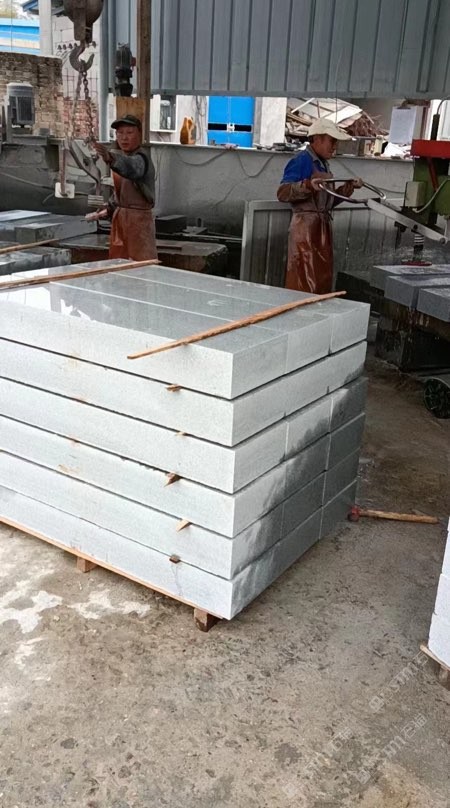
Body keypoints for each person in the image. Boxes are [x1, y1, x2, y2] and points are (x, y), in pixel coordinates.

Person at [277, 119, 363, 294]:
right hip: (305, 231)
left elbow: (327, 202)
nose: (334, 146)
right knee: (303, 281)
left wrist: (348, 188)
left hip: (322, 228)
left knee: (321, 281)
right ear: (317, 139)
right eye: (332, 141)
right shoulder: (302, 161)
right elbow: (282, 193)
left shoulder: (323, 164)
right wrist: (308, 186)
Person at [87, 114, 157, 261]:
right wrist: (107, 209)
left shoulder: (141, 159)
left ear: (140, 135)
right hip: (120, 220)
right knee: (118, 263)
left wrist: (110, 157)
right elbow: (120, 193)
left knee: (141, 266)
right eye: (120, 133)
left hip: (138, 222)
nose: (124, 137)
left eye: (129, 133)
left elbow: (131, 167)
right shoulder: (121, 159)